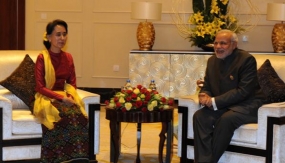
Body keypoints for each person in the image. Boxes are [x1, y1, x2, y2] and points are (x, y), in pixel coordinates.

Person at [193, 29, 264, 163]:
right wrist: (204, 95)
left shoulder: (246, 60)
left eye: (223, 43)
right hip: (224, 105)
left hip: (248, 105)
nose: (218, 47)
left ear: (234, 44)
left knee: (226, 120)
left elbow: (243, 91)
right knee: (200, 116)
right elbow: (207, 85)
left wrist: (214, 101)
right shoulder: (212, 61)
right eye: (216, 43)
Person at [33, 19, 90, 163]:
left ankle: (78, 158)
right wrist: (61, 99)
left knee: (79, 115)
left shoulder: (68, 57)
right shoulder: (42, 58)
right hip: (46, 96)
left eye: (64, 34)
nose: (62, 38)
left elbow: (72, 83)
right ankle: (55, 158)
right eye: (58, 34)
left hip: (64, 96)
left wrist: (70, 97)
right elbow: (40, 87)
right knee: (60, 115)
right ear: (49, 37)